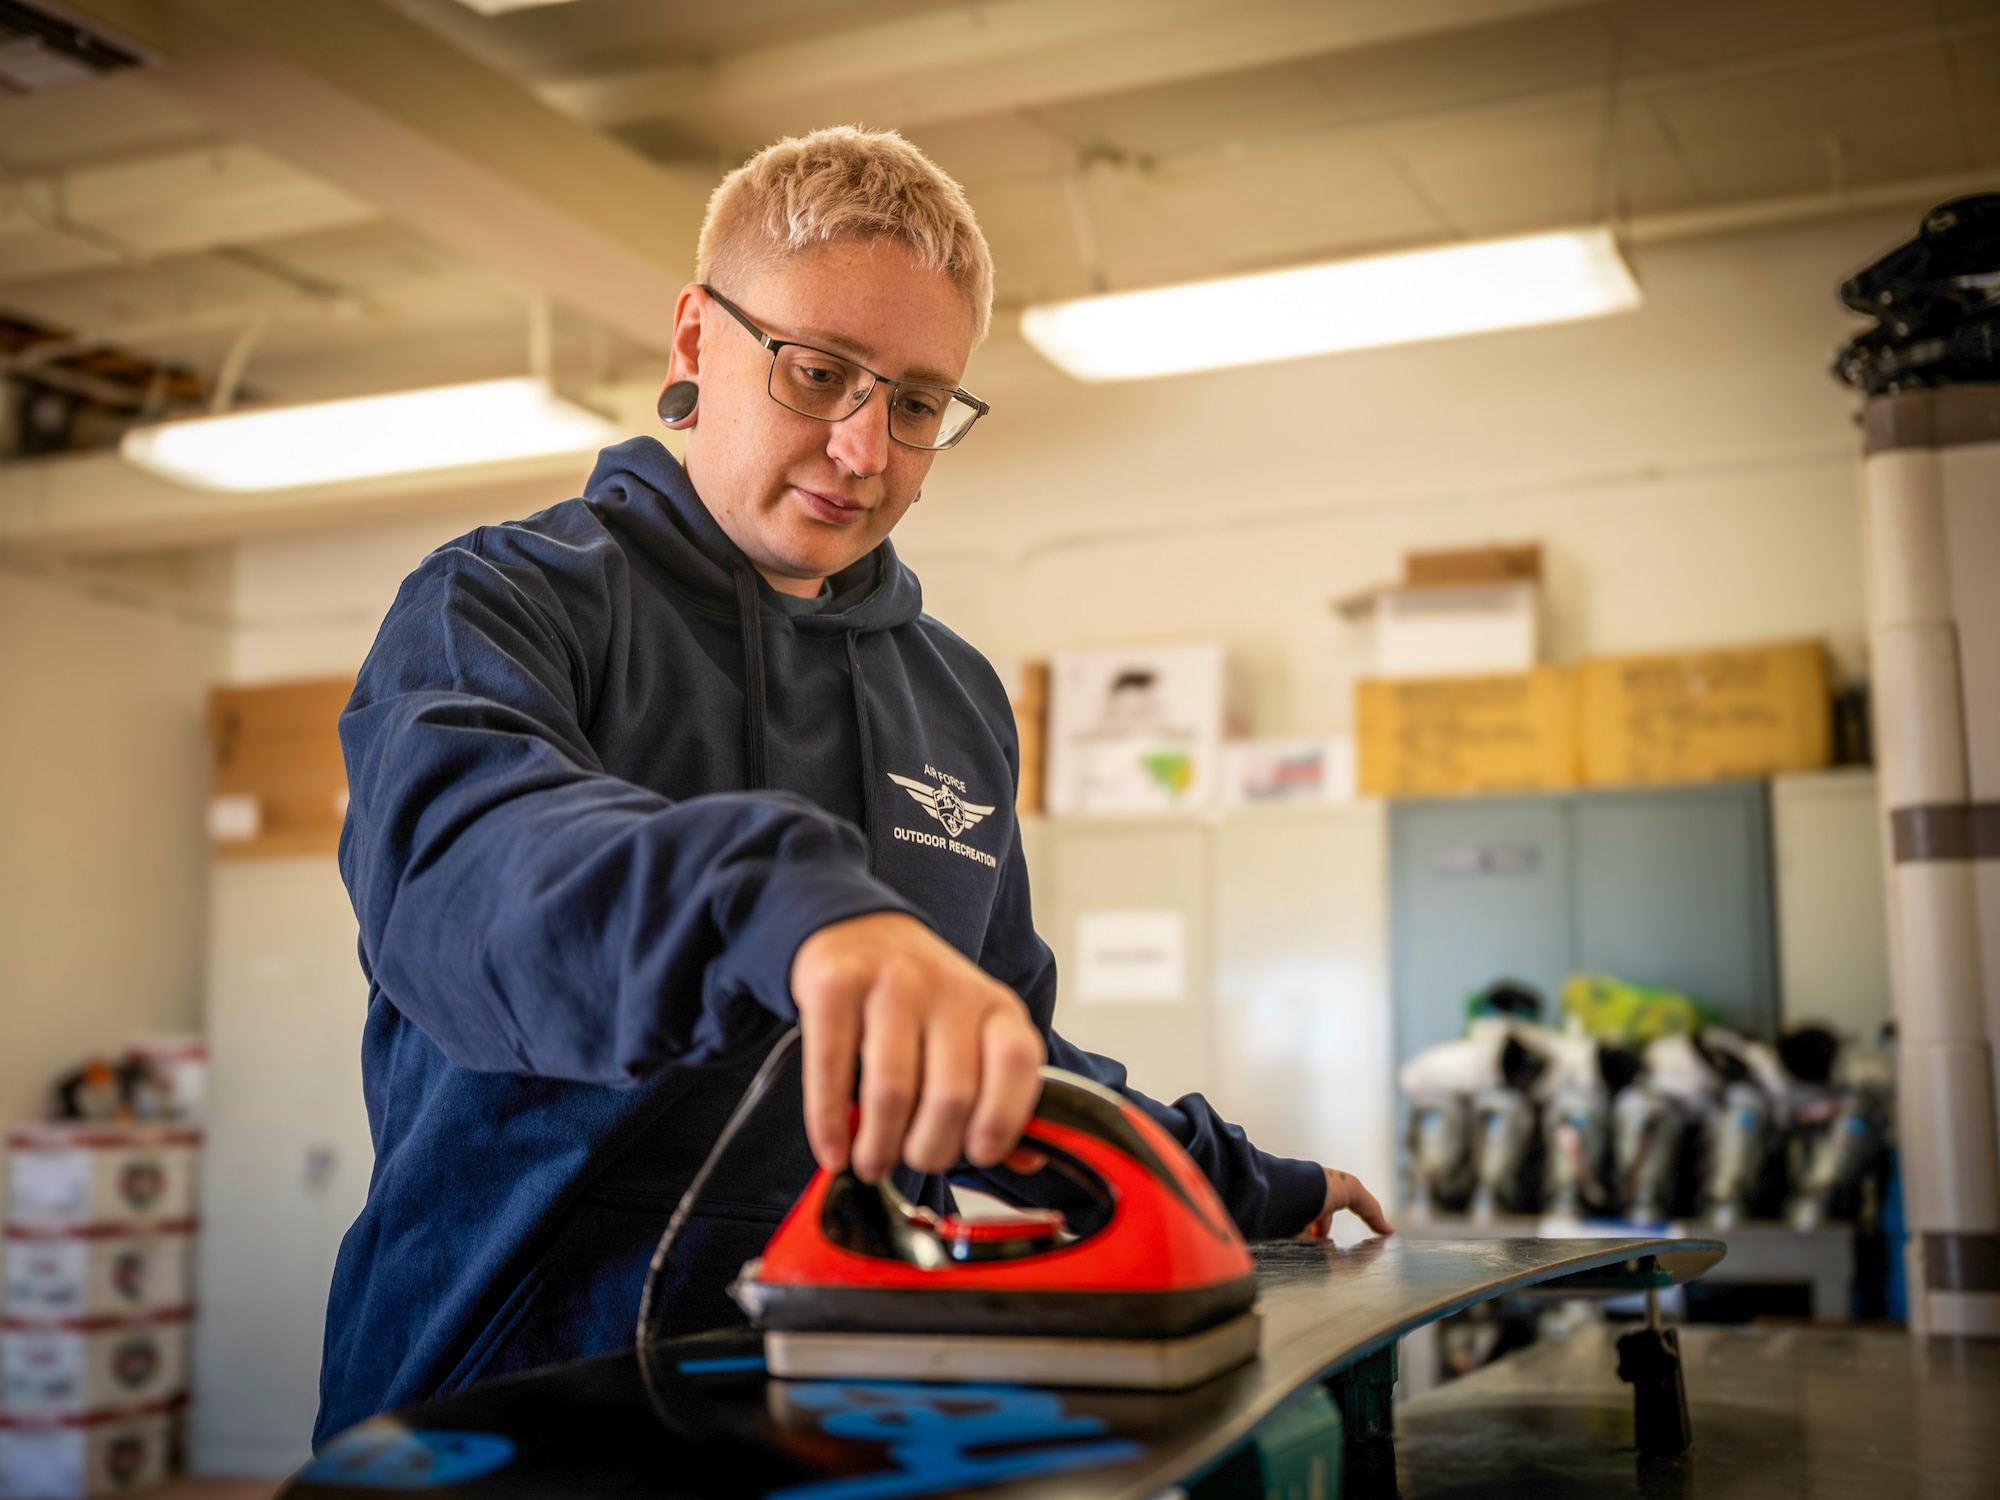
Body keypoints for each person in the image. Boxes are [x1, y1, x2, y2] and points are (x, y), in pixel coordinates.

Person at [316, 126, 1390, 1444]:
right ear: (696, 343)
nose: (865, 448)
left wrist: (1237, 1180)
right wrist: (798, 908)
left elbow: (997, 1054)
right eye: (818, 373)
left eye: (921, 403)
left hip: (833, 1418)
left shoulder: (955, 700)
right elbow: (466, 880)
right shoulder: (503, 602)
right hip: (495, 1415)